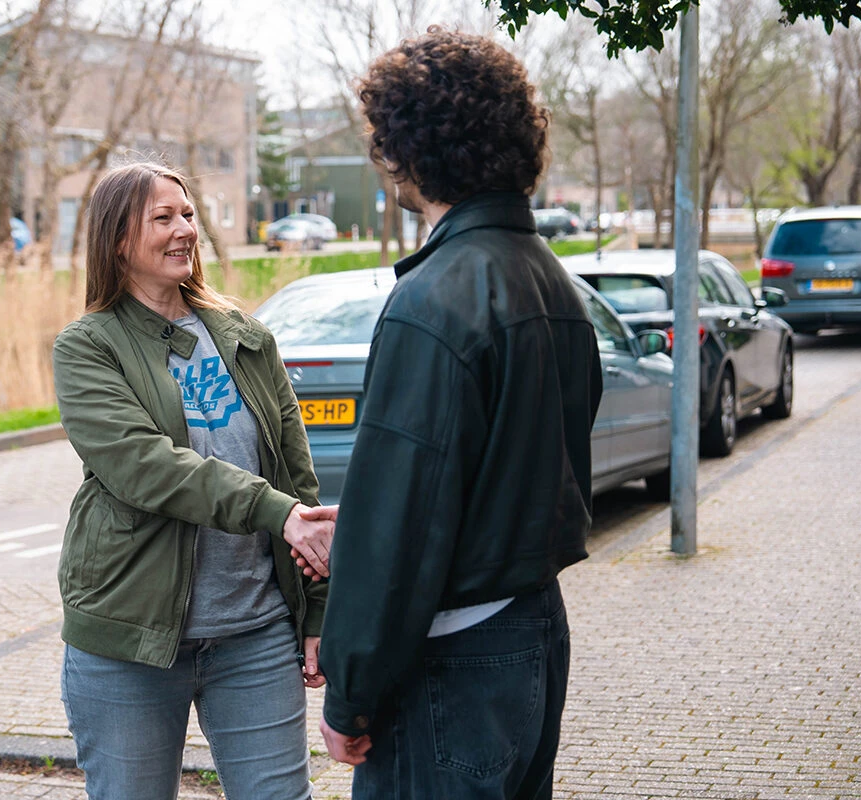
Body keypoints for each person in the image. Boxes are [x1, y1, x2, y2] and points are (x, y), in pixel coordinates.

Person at [308, 27, 604, 799]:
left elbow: (401, 526)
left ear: (409, 146)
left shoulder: (432, 301)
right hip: (533, 631)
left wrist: (350, 690)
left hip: (451, 656)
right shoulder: (551, 283)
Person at [51, 161, 334, 800]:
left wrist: (317, 609)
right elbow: (142, 467)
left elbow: (297, 478)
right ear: (118, 239)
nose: (184, 229)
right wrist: (272, 509)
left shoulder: (245, 336)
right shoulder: (88, 346)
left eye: (187, 214)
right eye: (163, 218)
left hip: (255, 633)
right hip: (131, 638)